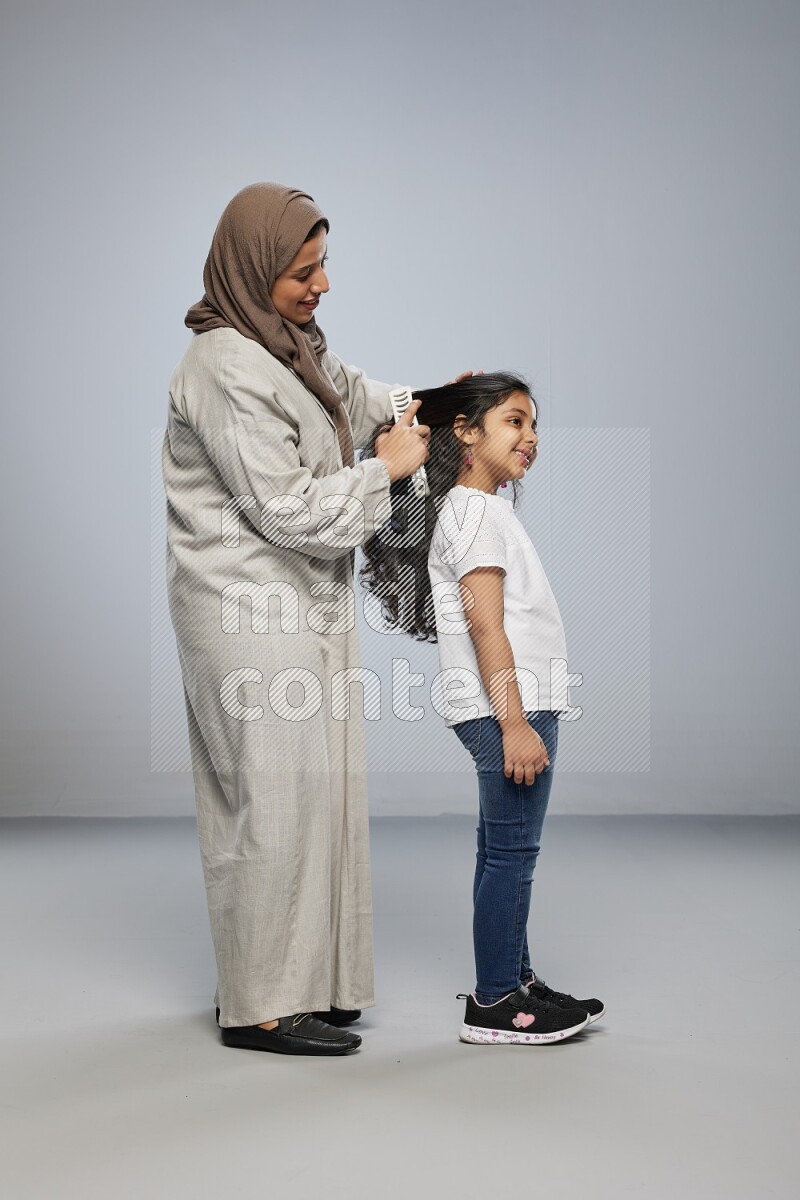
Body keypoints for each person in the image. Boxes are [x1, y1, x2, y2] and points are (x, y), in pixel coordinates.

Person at [161, 181, 444, 1056]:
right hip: (246, 607)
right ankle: (260, 1005)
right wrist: (388, 472)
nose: (320, 285)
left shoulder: (286, 346)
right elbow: (283, 509)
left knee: (317, 793)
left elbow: (355, 397)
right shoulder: (224, 366)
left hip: (296, 603)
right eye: (302, 271)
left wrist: (434, 403)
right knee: (273, 801)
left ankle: (311, 982)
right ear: (253, 270)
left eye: (324, 266)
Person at [358, 373, 606, 1044]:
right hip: (511, 708)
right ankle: (497, 1001)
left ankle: (514, 980)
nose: (530, 437)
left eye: (534, 426)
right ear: (466, 434)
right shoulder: (473, 514)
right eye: (514, 422)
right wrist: (515, 720)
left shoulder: (482, 511)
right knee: (512, 855)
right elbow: (486, 627)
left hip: (512, 705)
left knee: (500, 849)